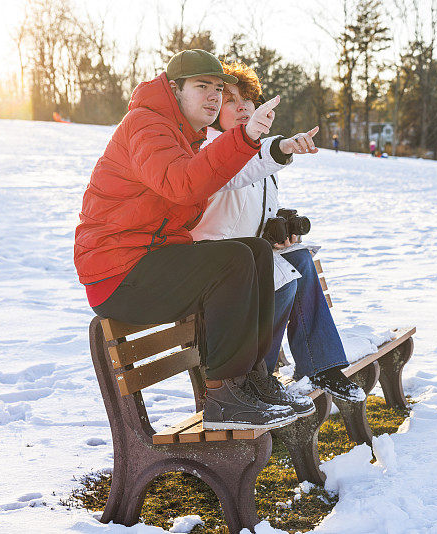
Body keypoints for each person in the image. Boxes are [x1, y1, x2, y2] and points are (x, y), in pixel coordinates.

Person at [74, 49, 313, 431]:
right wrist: (245, 137)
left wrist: (265, 146)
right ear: (174, 89)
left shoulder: (185, 135)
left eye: (218, 87)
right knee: (233, 260)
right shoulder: (147, 126)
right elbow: (183, 184)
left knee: (253, 251)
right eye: (202, 86)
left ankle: (254, 380)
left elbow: (216, 175)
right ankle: (222, 394)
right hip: (117, 273)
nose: (214, 96)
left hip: (147, 260)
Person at [191, 62, 365, 402]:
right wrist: (280, 146)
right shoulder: (208, 150)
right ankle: (256, 379)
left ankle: (322, 366)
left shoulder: (254, 154)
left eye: (248, 100)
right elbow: (223, 191)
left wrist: (277, 232)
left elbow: (249, 212)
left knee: (298, 257)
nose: (242, 107)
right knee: (280, 277)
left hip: (248, 262)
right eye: (231, 100)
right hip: (216, 267)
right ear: (213, 109)